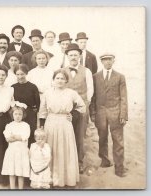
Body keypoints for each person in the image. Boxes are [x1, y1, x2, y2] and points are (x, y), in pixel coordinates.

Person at [39, 69, 86, 187]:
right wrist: (41, 125)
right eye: (57, 78)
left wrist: (73, 114)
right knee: (51, 149)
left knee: (64, 149)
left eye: (62, 78)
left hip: (65, 124)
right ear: (53, 80)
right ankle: (51, 178)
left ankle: (65, 179)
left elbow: (82, 107)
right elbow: (43, 111)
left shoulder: (71, 93)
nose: (60, 81)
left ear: (66, 80)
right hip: (50, 123)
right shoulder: (47, 93)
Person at [90, 53, 128, 177]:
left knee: (118, 140)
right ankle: (105, 160)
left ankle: (119, 168)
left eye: (109, 60)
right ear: (101, 62)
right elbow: (93, 97)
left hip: (116, 113)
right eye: (105, 60)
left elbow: (123, 97)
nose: (107, 62)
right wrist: (93, 114)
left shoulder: (120, 77)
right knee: (102, 138)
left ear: (113, 61)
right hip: (100, 113)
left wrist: (123, 114)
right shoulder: (95, 77)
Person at [62, 43, 93, 174]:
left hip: (81, 109)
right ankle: (68, 163)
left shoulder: (86, 71)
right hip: (67, 109)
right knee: (67, 135)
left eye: (75, 54)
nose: (73, 57)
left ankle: (80, 163)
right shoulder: (63, 71)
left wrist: (84, 104)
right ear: (67, 56)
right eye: (71, 55)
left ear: (80, 56)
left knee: (80, 136)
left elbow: (90, 90)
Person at [1, 101, 30, 189]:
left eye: (20, 114)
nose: (17, 116)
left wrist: (15, 137)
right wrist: (17, 137)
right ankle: (12, 189)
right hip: (12, 152)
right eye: (16, 114)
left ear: (23, 115)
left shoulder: (25, 125)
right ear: (12, 115)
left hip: (22, 152)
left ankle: (20, 189)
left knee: (20, 172)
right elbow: (8, 138)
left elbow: (25, 136)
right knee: (12, 171)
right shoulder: (9, 125)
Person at [12, 64, 40, 145]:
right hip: (17, 116)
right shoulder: (13, 87)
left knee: (30, 136)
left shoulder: (33, 87)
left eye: (22, 74)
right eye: (17, 74)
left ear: (26, 74)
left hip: (30, 116)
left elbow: (38, 104)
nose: (20, 76)